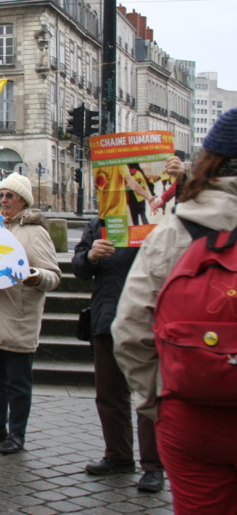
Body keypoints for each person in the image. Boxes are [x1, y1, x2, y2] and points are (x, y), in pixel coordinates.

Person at [113, 108, 237, 513]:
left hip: (191, 413)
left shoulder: (175, 229)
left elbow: (131, 328)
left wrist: (158, 404)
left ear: (209, 162)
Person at [0, 173, 61, 455]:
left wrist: (35, 276)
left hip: (16, 316)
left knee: (18, 383)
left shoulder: (35, 233)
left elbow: (53, 275)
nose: (3, 200)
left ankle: (17, 433)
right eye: (2, 194)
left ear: (23, 201)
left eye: (10, 196)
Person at [72, 217, 164, 493]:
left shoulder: (155, 218)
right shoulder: (99, 223)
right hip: (106, 317)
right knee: (110, 394)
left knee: (149, 396)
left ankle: (153, 466)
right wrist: (90, 256)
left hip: (145, 319)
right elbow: (79, 268)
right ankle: (118, 455)